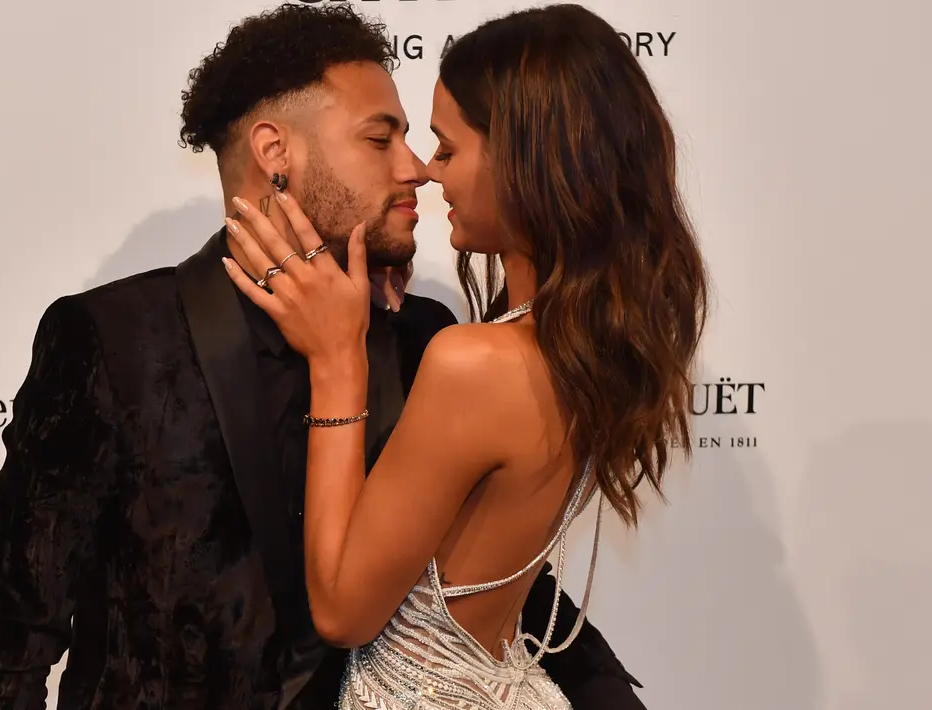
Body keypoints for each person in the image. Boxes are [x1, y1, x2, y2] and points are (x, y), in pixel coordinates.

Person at [0, 5, 643, 709]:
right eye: (381, 139)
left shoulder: (424, 336)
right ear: (275, 152)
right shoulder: (117, 336)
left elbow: (483, 578)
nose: (415, 170)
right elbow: (12, 648)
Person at [219, 4, 708, 709]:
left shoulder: (475, 362)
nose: (426, 172)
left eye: (446, 148)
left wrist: (336, 360)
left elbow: (341, 611)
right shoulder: (581, 346)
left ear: (522, 158)